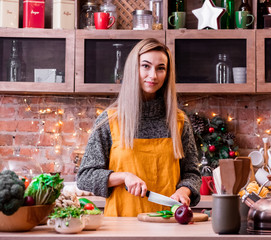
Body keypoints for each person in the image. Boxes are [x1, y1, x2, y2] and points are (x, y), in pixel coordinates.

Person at [76, 38, 201, 217]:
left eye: (161, 68)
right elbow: (85, 177)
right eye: (146, 66)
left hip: (168, 226)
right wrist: (123, 177)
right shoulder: (110, 120)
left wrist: (185, 190)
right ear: (134, 69)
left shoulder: (179, 122)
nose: (153, 75)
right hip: (122, 227)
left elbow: (192, 174)